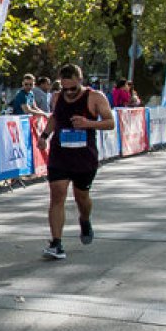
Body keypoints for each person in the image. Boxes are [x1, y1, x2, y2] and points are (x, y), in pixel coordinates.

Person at [39, 64, 115, 260]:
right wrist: (44, 135)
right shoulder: (57, 97)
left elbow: (110, 122)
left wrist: (88, 123)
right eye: (65, 89)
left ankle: (85, 219)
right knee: (57, 195)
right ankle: (56, 243)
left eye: (73, 88)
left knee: (82, 197)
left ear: (80, 80)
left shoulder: (95, 97)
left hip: (84, 157)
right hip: (60, 154)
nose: (69, 92)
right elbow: (55, 118)